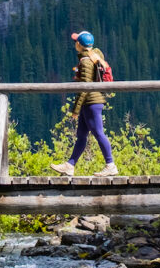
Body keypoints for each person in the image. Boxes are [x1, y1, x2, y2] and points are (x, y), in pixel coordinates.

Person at [51, 30, 119, 177]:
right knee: (81, 135)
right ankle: (70, 165)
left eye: (76, 41)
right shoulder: (94, 56)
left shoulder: (86, 61)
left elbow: (85, 87)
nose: (75, 43)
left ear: (80, 45)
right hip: (90, 102)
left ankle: (110, 165)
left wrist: (75, 110)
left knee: (98, 132)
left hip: (91, 102)